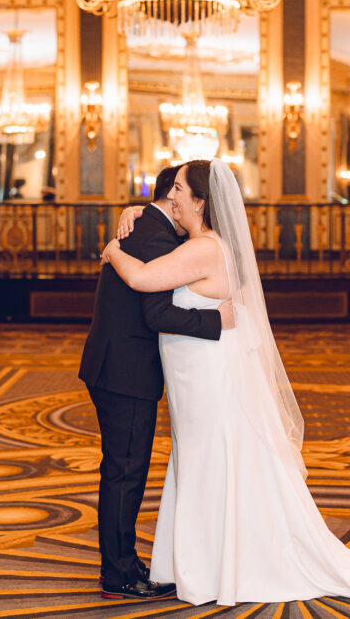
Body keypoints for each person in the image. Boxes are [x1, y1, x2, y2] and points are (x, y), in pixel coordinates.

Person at [102, 159, 350, 606]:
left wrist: (112, 250)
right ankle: (209, 563)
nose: (169, 197)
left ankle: (222, 565)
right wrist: (134, 212)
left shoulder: (204, 249)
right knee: (202, 463)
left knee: (213, 461)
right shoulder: (196, 243)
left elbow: (141, 279)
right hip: (192, 375)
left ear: (200, 202)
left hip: (206, 376)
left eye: (177, 189)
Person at [79, 164, 235, 601]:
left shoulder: (145, 226)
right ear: (171, 198)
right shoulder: (158, 238)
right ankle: (119, 575)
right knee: (125, 474)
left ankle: (121, 564)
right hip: (127, 374)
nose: (178, 201)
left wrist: (124, 224)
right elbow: (156, 314)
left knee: (122, 470)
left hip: (114, 366)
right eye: (177, 191)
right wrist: (217, 321)